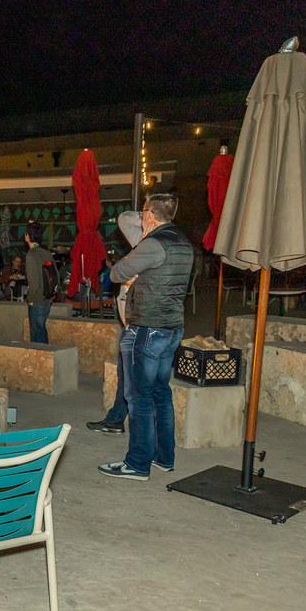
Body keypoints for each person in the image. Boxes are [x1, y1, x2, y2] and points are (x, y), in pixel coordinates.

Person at [98, 193, 193, 481]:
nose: (140, 217)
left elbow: (116, 273)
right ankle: (164, 457)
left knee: (139, 397)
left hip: (148, 328)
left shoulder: (153, 243)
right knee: (161, 394)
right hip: (173, 327)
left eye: (143, 213)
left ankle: (138, 463)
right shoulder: (184, 243)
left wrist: (137, 246)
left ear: (150, 215)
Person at [87, 210, 144, 435]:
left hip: (138, 327)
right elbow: (125, 219)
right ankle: (116, 419)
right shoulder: (142, 251)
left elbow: (123, 219)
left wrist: (149, 216)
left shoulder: (147, 253)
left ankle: (133, 428)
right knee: (125, 378)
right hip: (130, 326)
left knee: (134, 381)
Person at [24, 222, 56, 343]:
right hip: (48, 298)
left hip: (37, 300)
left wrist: (31, 300)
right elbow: (55, 274)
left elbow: (34, 283)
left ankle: (41, 359)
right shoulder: (47, 253)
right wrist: (52, 295)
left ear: (27, 236)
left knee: (37, 335)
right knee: (42, 330)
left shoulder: (31, 255)